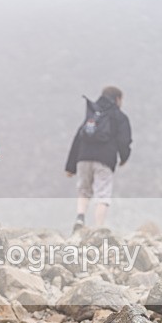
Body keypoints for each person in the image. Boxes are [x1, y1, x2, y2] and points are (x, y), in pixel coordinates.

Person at [65, 86, 132, 231]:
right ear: (118, 99)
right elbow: (124, 140)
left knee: (84, 189)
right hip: (104, 159)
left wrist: (70, 167)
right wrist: (124, 157)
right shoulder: (119, 116)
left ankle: (80, 217)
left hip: (83, 158)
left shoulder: (92, 114)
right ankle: (98, 227)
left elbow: (78, 138)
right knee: (103, 193)